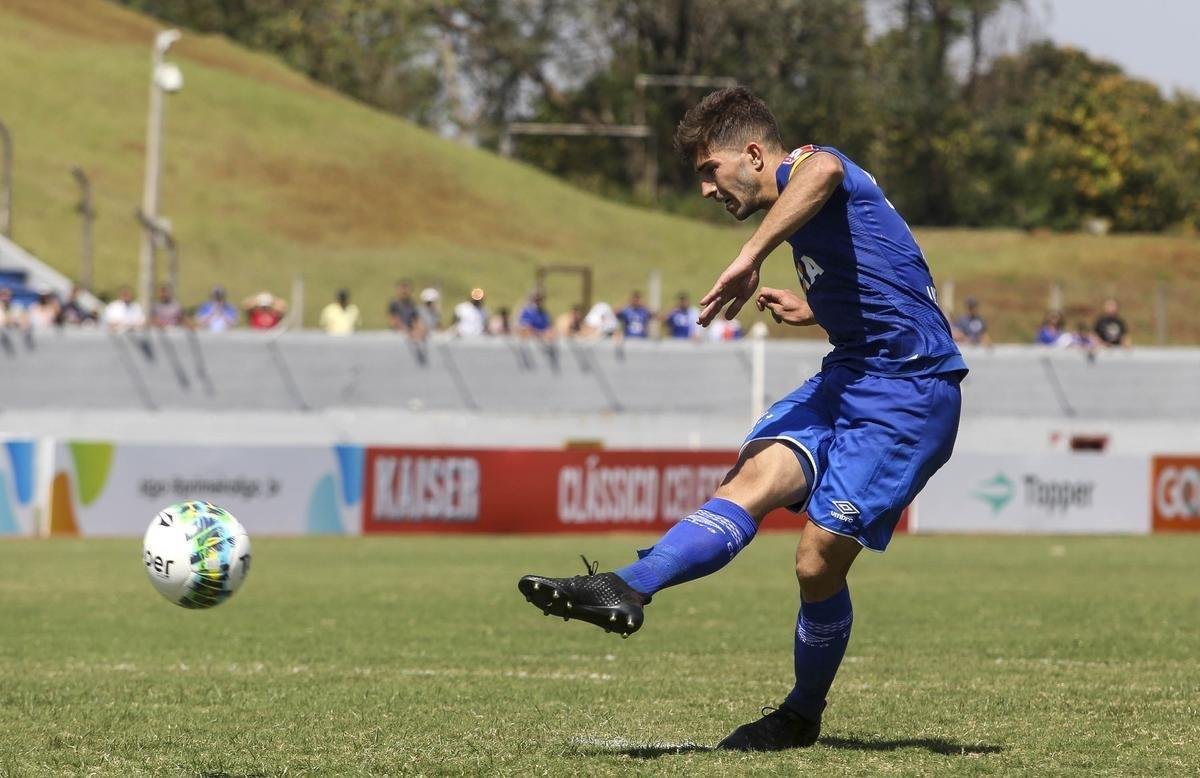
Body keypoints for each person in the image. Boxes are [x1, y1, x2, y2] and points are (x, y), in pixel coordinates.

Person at [518, 87, 967, 752]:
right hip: (849, 375)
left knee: (816, 564)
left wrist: (750, 255)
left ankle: (801, 714)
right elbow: (888, 279)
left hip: (909, 392)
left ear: (754, 155)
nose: (706, 188)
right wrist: (818, 309)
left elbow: (825, 168)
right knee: (750, 480)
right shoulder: (811, 210)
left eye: (710, 169)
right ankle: (625, 587)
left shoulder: (811, 167)